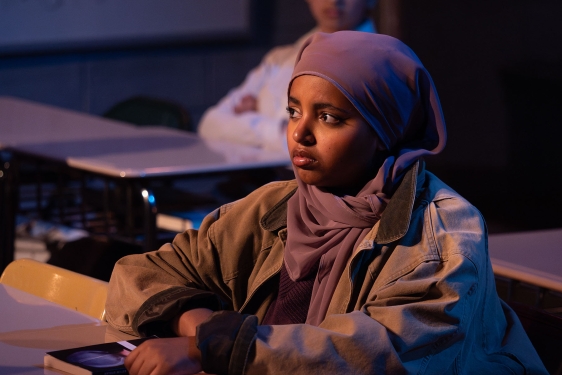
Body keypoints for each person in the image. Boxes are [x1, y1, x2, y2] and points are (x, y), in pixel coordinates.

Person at [105, 32, 548, 375]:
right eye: (294, 111)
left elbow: (381, 354)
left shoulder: (443, 229)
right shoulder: (274, 206)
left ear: (385, 131)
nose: (300, 133)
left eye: (330, 117)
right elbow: (139, 273)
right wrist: (196, 323)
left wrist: (211, 347)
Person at [197, 0, 377, 152]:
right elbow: (209, 123)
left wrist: (247, 121)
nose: (334, 1)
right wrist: (277, 129)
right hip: (259, 183)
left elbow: (323, 147)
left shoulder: (377, 63)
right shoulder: (280, 58)